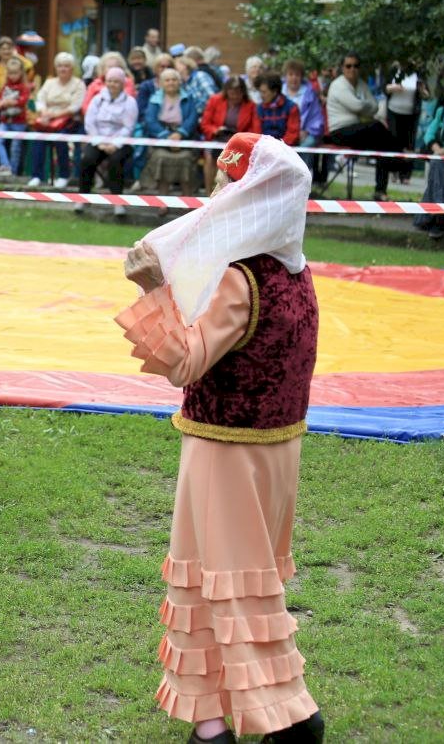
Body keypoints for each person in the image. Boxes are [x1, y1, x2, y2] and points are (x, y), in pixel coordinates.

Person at [116, 132, 324, 744]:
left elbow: (186, 362)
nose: (215, 197)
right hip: (277, 450)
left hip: (226, 449)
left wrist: (153, 289)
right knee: (240, 579)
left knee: (223, 581)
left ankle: (288, 717)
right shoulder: (296, 271)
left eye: (226, 186)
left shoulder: (243, 278)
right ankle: (214, 721)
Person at [323, 53, 405, 200]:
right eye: (348, 66)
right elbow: (358, 106)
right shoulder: (338, 85)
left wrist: (362, 106)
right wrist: (363, 106)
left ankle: (380, 191)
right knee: (377, 126)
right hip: (339, 132)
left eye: (356, 66)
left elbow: (374, 107)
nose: (352, 69)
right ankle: (400, 162)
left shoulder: (361, 84)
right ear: (342, 68)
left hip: (358, 130)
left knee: (382, 146)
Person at [78, 66, 138, 215]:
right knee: (87, 159)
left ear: (122, 84)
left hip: (120, 143)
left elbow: (128, 127)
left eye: (116, 81)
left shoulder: (130, 102)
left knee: (115, 161)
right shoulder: (97, 99)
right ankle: (83, 198)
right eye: (110, 81)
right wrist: (100, 143)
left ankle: (117, 202)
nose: (112, 84)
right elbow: (90, 123)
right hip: (98, 141)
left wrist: (114, 145)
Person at [143, 67, 201, 200]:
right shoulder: (154, 99)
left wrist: (180, 134)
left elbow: (192, 118)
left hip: (184, 139)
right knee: (162, 158)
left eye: (174, 80)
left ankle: (188, 200)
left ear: (179, 82)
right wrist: (167, 137)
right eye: (167, 80)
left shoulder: (188, 97)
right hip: (162, 139)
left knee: (186, 159)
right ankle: (163, 201)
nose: (171, 83)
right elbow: (150, 120)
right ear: (161, 83)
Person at [29, 52, 85, 188]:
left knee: (60, 138)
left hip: (69, 121)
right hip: (47, 119)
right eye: (60, 66)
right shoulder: (49, 83)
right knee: (38, 138)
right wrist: (44, 113)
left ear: (72, 68)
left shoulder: (78, 84)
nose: (63, 69)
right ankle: (37, 176)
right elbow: (40, 99)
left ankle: (64, 175)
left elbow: (75, 106)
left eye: (66, 66)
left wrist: (54, 115)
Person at [414, 77, 444, 239]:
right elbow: (429, 135)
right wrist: (438, 149)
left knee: (440, 165)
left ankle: (439, 217)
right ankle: (440, 215)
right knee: (437, 162)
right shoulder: (442, 112)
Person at [384, 60, 427, 184]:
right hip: (393, 111)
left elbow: (426, 94)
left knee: (409, 144)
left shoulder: (417, 74)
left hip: (411, 114)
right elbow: (384, 88)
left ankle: (406, 175)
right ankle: (394, 172)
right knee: (394, 142)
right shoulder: (394, 71)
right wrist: (394, 87)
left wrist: (421, 90)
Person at [0, 55, 33, 178]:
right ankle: (6, 165)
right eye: (10, 73)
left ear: (21, 73)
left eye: (15, 73)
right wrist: (1, 103)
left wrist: (10, 102)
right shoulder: (5, 86)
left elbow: (23, 100)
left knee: (15, 147)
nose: (12, 76)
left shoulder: (24, 87)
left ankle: (13, 172)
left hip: (19, 122)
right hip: (5, 121)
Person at [281, 59, 325, 168]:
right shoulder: (278, 91)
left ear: (301, 77)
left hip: (305, 133)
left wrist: (307, 131)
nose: (294, 78)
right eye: (291, 74)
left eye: (297, 75)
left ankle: (303, 172)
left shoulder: (310, 94)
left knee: (307, 144)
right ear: (285, 76)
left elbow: (317, 119)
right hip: (283, 132)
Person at [200, 77, 260, 149]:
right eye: (232, 93)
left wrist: (243, 138)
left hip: (240, 143)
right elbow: (205, 124)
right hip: (216, 140)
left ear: (244, 93)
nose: (235, 96)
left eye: (238, 94)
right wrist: (215, 131)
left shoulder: (251, 105)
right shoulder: (214, 100)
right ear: (226, 91)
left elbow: (255, 131)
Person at [255, 73, 301, 145]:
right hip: (264, 147)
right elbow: (257, 133)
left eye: (264, 92)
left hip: (285, 148)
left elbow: (292, 134)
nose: (261, 95)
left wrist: (278, 147)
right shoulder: (259, 109)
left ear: (275, 91)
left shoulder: (291, 108)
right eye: (260, 92)